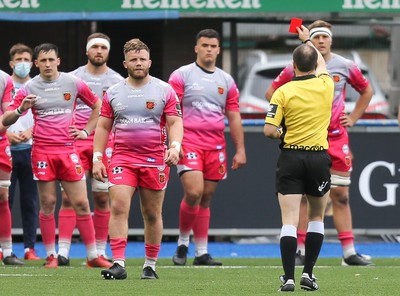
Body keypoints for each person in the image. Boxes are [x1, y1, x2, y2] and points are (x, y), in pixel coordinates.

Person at [265, 20, 374, 266]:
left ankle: (348, 252)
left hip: (336, 139)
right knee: (303, 197)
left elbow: (366, 91)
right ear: (310, 41)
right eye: (317, 37)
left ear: (331, 40)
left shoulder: (345, 66)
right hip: (307, 141)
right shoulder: (297, 68)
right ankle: (301, 249)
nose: (321, 41)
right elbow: (271, 93)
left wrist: (354, 117)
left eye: (325, 36)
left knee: (341, 195)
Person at [2, 43, 113, 269]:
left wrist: (85, 131)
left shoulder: (73, 83)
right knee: (48, 203)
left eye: (51, 60)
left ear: (58, 61)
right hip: (42, 151)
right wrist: (21, 109)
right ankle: (52, 256)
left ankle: (93, 256)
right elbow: (5, 120)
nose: (48, 64)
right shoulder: (28, 87)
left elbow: (98, 107)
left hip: (68, 151)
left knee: (81, 202)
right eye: (43, 61)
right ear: (36, 64)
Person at [93, 38, 183, 280]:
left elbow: (175, 122)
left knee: (152, 213)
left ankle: (150, 265)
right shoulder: (113, 92)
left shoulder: (165, 90)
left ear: (150, 62)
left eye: (142, 59)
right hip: (122, 158)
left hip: (155, 159)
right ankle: (119, 263)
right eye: (134, 59)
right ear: (125, 63)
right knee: (119, 206)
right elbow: (102, 127)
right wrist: (97, 158)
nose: (139, 63)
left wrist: (175, 147)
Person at [169, 29, 246, 266]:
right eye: (205, 45)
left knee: (206, 197)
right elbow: (171, 111)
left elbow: (233, 117)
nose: (209, 49)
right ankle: (183, 243)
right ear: (196, 48)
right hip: (189, 141)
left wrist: (240, 149)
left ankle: (201, 252)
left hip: (215, 145)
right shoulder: (182, 75)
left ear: (219, 49)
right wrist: (174, 142)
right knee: (194, 192)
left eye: (213, 45)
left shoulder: (226, 81)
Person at [264, 25, 333, 292]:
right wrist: (308, 40)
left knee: (289, 221)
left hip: (291, 157)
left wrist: (282, 131)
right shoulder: (326, 84)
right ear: (315, 64)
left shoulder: (283, 91)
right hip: (318, 159)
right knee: (316, 218)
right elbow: (323, 62)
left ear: (293, 65)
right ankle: (308, 274)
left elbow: (269, 130)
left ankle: (289, 278)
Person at [57, 33, 124, 266]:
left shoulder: (117, 81)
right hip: (75, 141)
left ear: (108, 52)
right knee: (68, 198)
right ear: (87, 51)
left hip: (105, 143)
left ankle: (97, 252)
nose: (98, 51)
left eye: (103, 47)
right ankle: (62, 252)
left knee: (102, 198)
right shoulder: (72, 77)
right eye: (94, 47)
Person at [6, 43, 40, 261]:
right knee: (3, 201)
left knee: (30, 201)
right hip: (6, 149)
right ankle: (3, 247)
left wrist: (32, 131)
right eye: (19, 60)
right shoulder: (3, 85)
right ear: (11, 63)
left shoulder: (37, 86)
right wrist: (5, 134)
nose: (23, 64)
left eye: (26, 60)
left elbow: (49, 117)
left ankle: (29, 248)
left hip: (31, 149)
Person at [0, 69, 25, 265]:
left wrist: (17, 111)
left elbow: (5, 119)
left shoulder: (4, 79)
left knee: (2, 196)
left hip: (0, 142)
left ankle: (7, 252)